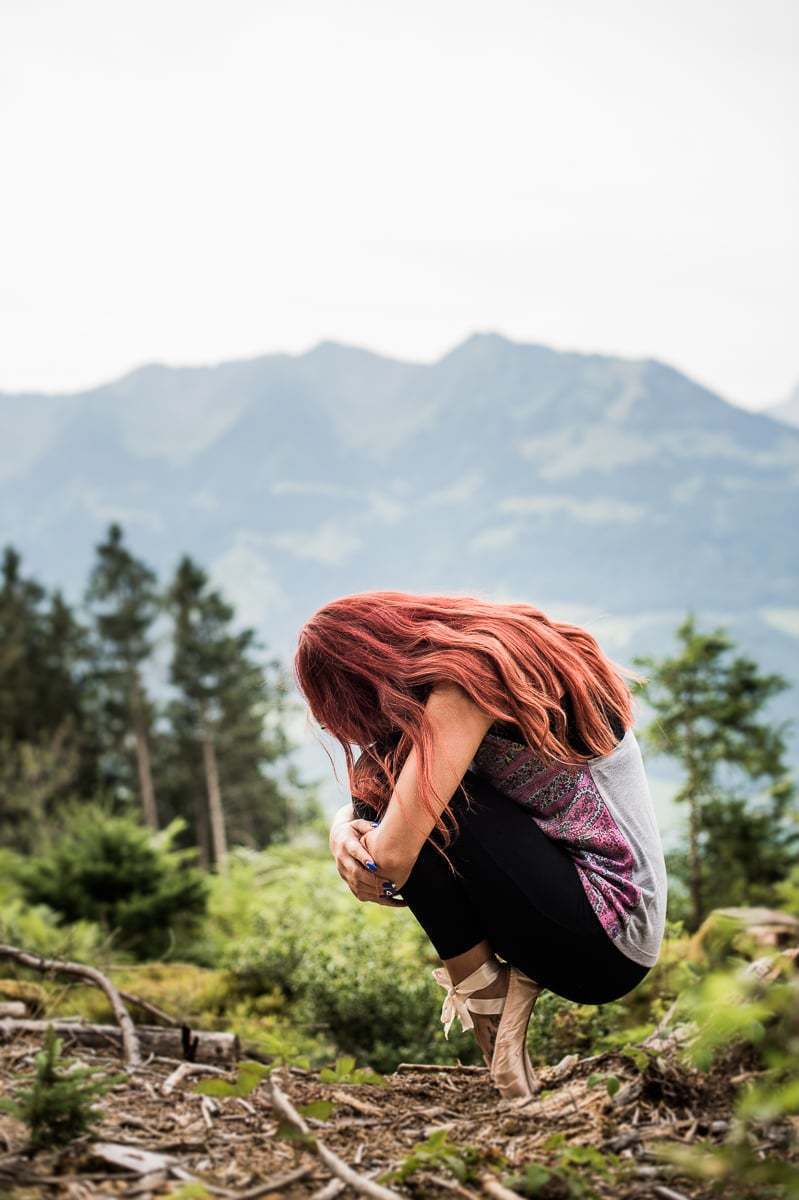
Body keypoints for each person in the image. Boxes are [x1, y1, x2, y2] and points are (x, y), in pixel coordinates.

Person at [294, 590, 668, 1105]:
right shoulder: (476, 661)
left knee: (406, 811)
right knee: (383, 796)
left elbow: (394, 856)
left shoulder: (466, 686)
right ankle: (496, 1018)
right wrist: (344, 828)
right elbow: (380, 802)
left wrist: (364, 842)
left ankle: (491, 1019)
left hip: (606, 935)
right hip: (578, 914)